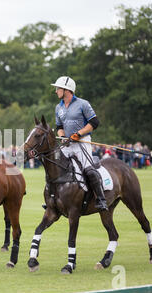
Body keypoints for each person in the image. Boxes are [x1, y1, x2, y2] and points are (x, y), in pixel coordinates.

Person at [52, 76, 108, 211]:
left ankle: (101, 199)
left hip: (82, 141)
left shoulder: (83, 104)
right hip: (67, 143)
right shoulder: (58, 107)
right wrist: (63, 136)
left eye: (58, 88)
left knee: (88, 169)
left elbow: (94, 122)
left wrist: (79, 134)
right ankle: (53, 198)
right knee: (55, 166)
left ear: (67, 90)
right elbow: (59, 126)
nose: (56, 91)